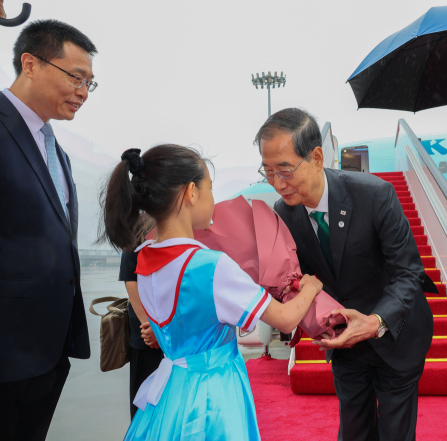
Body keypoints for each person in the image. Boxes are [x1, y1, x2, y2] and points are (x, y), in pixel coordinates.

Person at [98, 145, 324, 440]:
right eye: (210, 189)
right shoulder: (209, 265)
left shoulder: (145, 260)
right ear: (191, 193)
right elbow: (284, 319)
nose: (213, 200)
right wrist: (311, 287)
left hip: (170, 389)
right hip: (213, 393)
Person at [256, 108, 434, 441]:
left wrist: (376, 321)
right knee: (354, 432)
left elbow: (408, 272)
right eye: (267, 171)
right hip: (345, 344)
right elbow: (303, 279)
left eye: (285, 170)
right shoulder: (284, 211)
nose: (277, 183)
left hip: (396, 333)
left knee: (396, 434)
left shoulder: (373, 194)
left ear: (317, 156)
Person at [0, 20, 97, 441]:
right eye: (75, 77)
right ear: (31, 64)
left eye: (90, 83)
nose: (82, 91)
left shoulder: (55, 147)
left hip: (48, 350)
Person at [118, 220, 164, 420]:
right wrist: (149, 326)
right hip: (146, 331)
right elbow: (131, 281)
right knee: (143, 401)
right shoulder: (138, 228)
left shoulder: (182, 223)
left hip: (175, 331)